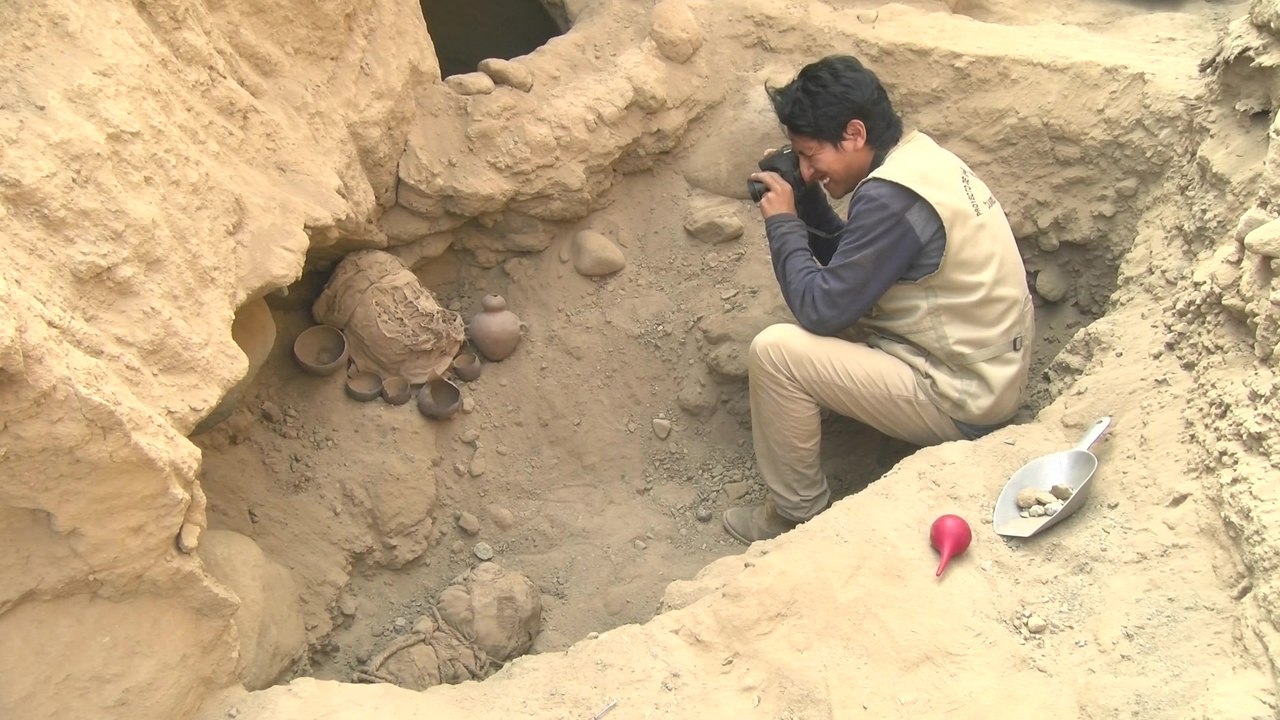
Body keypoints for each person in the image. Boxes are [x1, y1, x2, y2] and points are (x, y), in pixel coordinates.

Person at [721, 55, 1035, 544]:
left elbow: (821, 310)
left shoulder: (891, 198)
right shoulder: (918, 161)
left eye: (810, 155)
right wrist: (807, 202)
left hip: (962, 399)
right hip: (982, 368)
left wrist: (783, 222)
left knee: (777, 352)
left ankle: (794, 517)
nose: (807, 169)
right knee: (828, 310)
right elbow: (862, 266)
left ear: (853, 134)